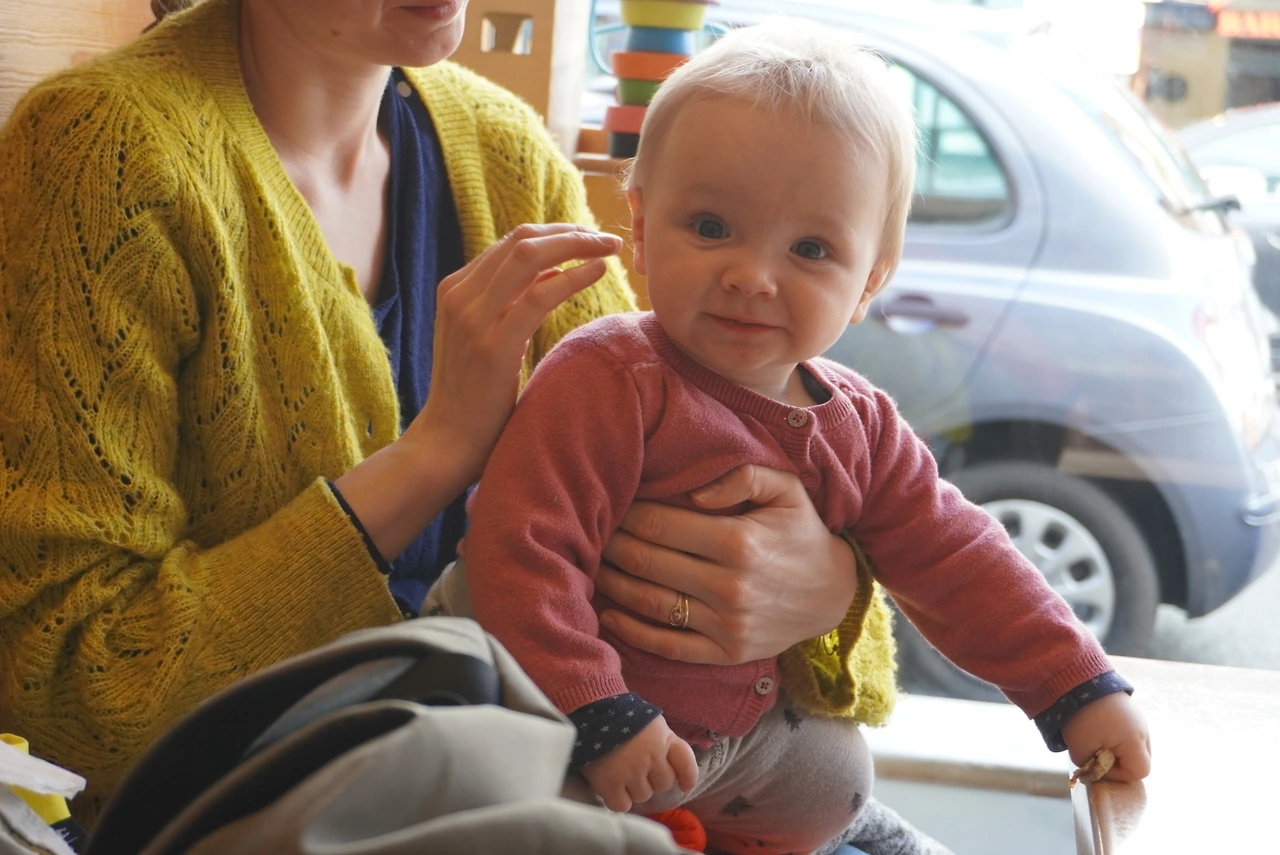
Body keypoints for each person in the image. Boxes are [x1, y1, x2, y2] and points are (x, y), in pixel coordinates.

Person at [0, 0, 878, 827]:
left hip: (604, 778)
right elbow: (69, 695)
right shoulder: (103, 158)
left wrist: (829, 591)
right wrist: (437, 452)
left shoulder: (504, 153)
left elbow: (802, 505)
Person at [452, 22, 1153, 855]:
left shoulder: (860, 423)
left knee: (838, 775)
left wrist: (1076, 686)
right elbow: (518, 555)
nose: (752, 275)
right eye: (710, 226)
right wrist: (597, 710)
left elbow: (960, 559)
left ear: (870, 281)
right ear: (638, 226)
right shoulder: (608, 378)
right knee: (540, 811)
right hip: (587, 731)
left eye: (811, 249)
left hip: (740, 750)